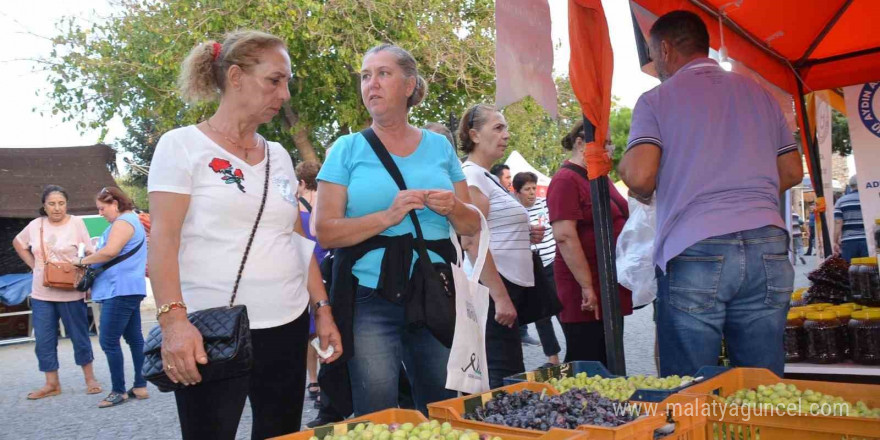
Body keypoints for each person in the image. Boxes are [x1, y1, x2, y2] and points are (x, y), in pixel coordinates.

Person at [147, 30, 342, 439]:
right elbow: (163, 242)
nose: (285, 93)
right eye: (275, 80)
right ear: (235, 77)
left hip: (287, 322)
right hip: (212, 328)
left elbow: (295, 239)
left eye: (286, 82)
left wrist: (321, 308)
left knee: (282, 432)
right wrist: (174, 324)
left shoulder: (279, 155)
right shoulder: (181, 146)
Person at [618, 11, 803, 377]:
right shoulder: (760, 94)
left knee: (692, 388)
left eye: (654, 57)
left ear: (666, 49)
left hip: (695, 247)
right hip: (768, 242)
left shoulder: (656, 100)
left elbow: (639, 176)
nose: (656, 66)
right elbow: (792, 171)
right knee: (761, 384)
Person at [315, 43, 480, 416]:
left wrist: (454, 206)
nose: (371, 84)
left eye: (383, 74)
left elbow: (471, 226)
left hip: (434, 289)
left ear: (409, 86)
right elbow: (324, 231)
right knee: (377, 412)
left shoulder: (440, 146)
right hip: (369, 297)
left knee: (445, 408)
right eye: (365, 76)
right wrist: (386, 217)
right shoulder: (346, 148)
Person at [458, 103, 533, 388]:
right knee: (505, 374)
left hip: (503, 285)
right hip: (493, 288)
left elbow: (492, 229)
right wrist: (500, 297)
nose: (506, 134)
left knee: (508, 370)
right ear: (475, 135)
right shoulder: (472, 175)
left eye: (506, 127)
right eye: (498, 127)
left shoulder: (487, 176)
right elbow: (473, 240)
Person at [547, 121, 632, 364]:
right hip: (584, 285)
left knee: (609, 354)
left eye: (609, 145)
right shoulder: (565, 180)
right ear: (580, 142)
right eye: (603, 144)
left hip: (606, 281)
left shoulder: (599, 177)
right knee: (587, 357)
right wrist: (587, 286)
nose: (608, 151)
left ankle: (611, 401)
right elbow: (564, 235)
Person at [12, 185, 102, 400]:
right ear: (44, 206)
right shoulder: (36, 225)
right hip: (42, 293)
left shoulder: (77, 223)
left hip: (71, 292)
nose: (57, 208)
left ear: (66, 204)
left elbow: (90, 251)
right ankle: (51, 383)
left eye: (61, 203)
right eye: (52, 204)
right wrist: (34, 266)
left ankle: (90, 379)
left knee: (80, 336)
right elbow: (18, 242)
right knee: (44, 339)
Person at [77, 187, 148, 408]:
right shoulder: (131, 220)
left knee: (108, 340)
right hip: (129, 287)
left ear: (115, 203)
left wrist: (81, 262)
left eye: (102, 208)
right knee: (134, 339)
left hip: (119, 289)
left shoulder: (123, 223)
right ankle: (140, 385)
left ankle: (118, 390)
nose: (101, 213)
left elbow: (110, 252)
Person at [512, 171, 562, 366]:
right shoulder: (515, 211)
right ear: (517, 192)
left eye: (534, 188)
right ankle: (553, 357)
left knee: (561, 309)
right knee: (541, 314)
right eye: (527, 189)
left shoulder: (544, 205)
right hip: (530, 267)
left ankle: (574, 349)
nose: (532, 192)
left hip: (551, 262)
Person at [295, 160, 329, 403]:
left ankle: (314, 380)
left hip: (306, 272)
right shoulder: (328, 202)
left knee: (310, 332)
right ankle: (329, 377)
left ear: (302, 182)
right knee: (327, 325)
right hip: (328, 270)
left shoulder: (296, 208)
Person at [834, 175, 869, 262]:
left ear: (850, 186)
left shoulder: (841, 201)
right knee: (869, 270)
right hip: (867, 240)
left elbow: (838, 222)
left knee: (850, 270)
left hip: (848, 241)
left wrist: (835, 241)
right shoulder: (868, 199)